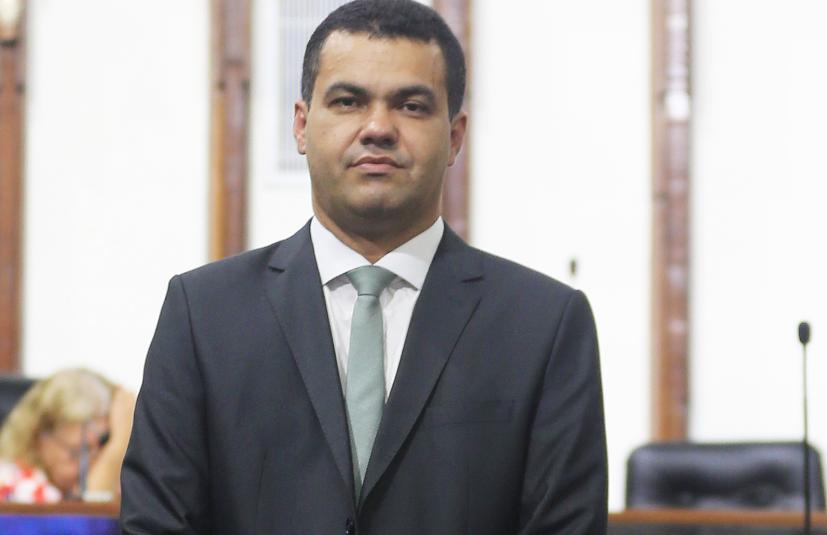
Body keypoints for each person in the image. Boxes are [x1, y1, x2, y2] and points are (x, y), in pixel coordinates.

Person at [120, 1, 607, 533]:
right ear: (302, 125)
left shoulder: (543, 326)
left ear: (455, 136)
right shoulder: (205, 315)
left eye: (411, 106)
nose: (378, 128)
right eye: (348, 102)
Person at [0, 368, 134, 503]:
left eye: (103, 447)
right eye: (78, 452)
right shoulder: (15, 485)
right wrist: (117, 448)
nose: (94, 464)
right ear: (39, 439)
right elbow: (87, 515)